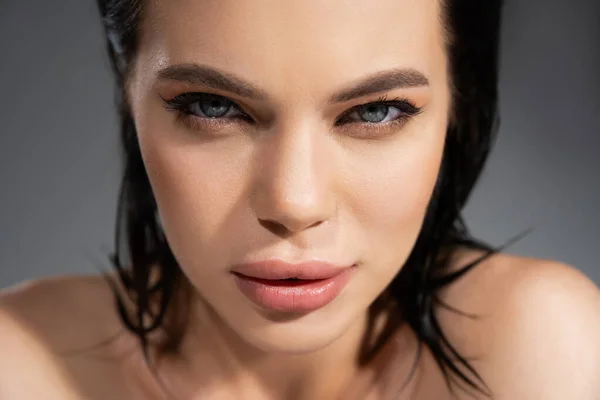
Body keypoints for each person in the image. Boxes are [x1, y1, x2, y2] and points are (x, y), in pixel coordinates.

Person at [1, 0, 599, 399]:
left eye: (374, 111)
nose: (294, 201)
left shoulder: (544, 352)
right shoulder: (21, 367)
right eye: (214, 107)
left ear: (459, 106)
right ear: (127, 89)